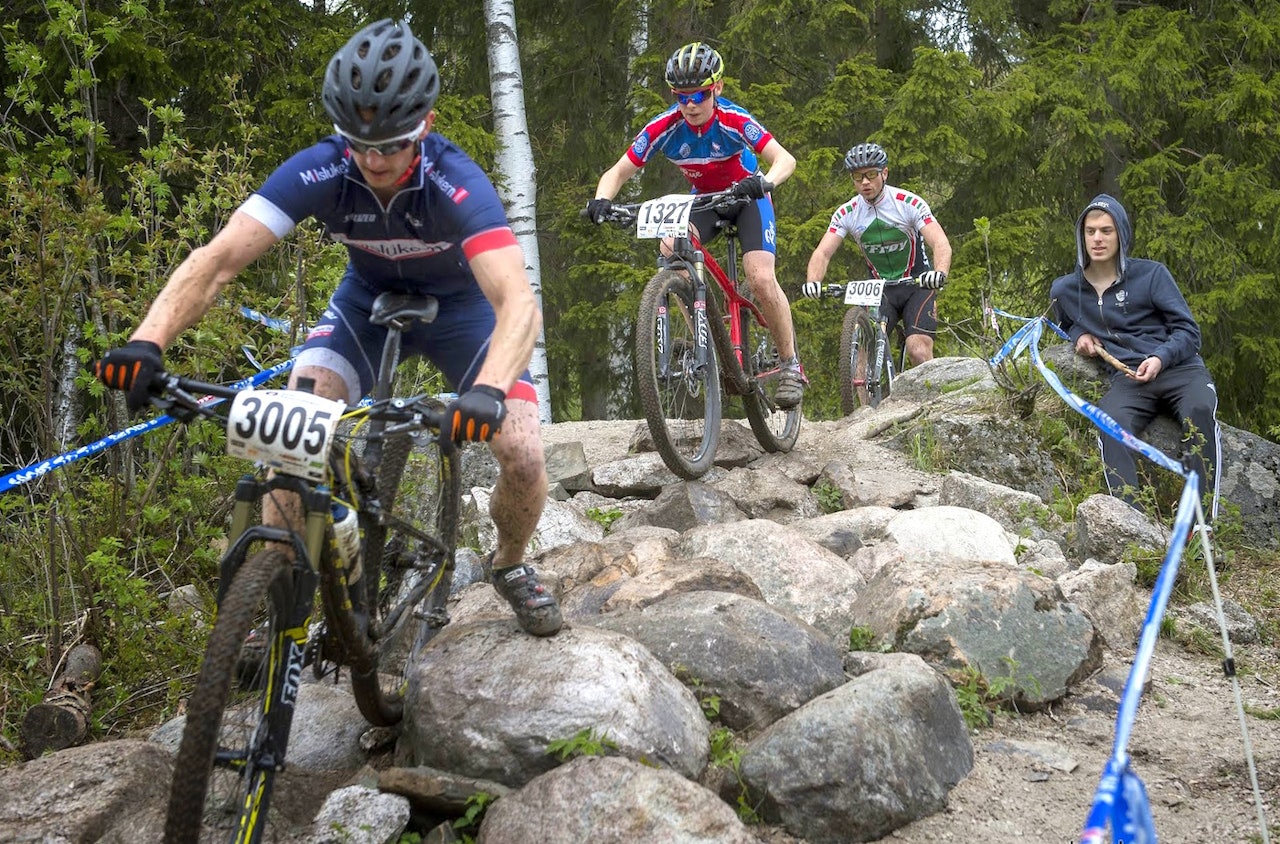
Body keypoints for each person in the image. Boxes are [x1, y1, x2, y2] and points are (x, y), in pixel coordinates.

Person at [93, 19, 562, 636]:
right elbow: (217, 261)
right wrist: (146, 340)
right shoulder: (320, 168)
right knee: (287, 440)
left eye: (392, 145)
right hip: (363, 305)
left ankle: (509, 564)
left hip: (462, 312)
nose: (373, 161)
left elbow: (517, 302)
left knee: (523, 452)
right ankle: (277, 609)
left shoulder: (456, 181)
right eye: (359, 144)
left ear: (426, 124)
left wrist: (491, 389)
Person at [585, 41, 806, 408]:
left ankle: (790, 365)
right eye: (681, 96)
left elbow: (785, 159)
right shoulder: (665, 127)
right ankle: (709, 339)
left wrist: (765, 181)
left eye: (699, 95)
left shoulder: (734, 119)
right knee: (671, 249)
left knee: (761, 277)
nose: (690, 104)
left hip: (748, 198)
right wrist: (601, 200)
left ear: (717, 88)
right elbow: (619, 171)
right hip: (704, 200)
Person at [1049, 193, 1220, 521]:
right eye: (1090, 231)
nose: (1097, 239)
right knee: (1109, 425)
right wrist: (1079, 336)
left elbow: (1188, 331)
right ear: (1081, 236)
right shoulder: (1065, 290)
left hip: (1179, 370)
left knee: (1200, 413)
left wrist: (1160, 357)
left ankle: (1201, 527)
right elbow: (1064, 323)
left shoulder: (1152, 275)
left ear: (1121, 234)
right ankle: (1133, 527)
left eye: (1107, 231)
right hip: (1127, 378)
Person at [801, 142, 952, 366]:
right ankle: (863, 403)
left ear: (885, 173)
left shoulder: (908, 203)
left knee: (918, 350)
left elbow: (940, 243)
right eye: (857, 176)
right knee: (861, 357)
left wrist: (939, 273)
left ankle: (927, 399)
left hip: (917, 285)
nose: (864, 182)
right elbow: (823, 252)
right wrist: (813, 281)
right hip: (879, 290)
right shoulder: (847, 212)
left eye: (871, 175)